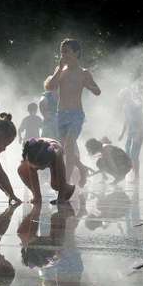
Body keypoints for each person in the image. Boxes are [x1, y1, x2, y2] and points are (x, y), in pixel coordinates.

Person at [44, 38, 101, 183]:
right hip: (61, 114)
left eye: (67, 52)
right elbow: (50, 87)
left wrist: (90, 87)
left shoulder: (84, 73)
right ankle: (82, 168)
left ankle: (65, 183)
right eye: (62, 52)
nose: (63, 55)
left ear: (76, 52)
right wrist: (58, 71)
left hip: (76, 115)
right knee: (65, 150)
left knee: (69, 146)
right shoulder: (60, 70)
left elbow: (97, 91)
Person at [18, 137, 76, 204]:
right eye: (37, 167)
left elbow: (61, 177)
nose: (40, 169)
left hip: (52, 151)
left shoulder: (57, 154)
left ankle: (69, 188)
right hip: (37, 151)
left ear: (49, 162)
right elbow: (33, 176)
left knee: (55, 185)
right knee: (22, 170)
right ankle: (35, 195)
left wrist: (61, 198)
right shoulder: (29, 152)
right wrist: (37, 197)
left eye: (41, 167)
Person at [117, 86, 143, 180]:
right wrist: (122, 133)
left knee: (134, 154)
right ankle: (131, 173)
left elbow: (141, 121)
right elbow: (126, 120)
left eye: (123, 97)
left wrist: (138, 134)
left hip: (139, 132)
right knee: (127, 154)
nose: (122, 99)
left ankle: (136, 176)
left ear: (127, 96)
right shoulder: (125, 106)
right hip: (131, 132)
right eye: (121, 97)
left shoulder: (136, 106)